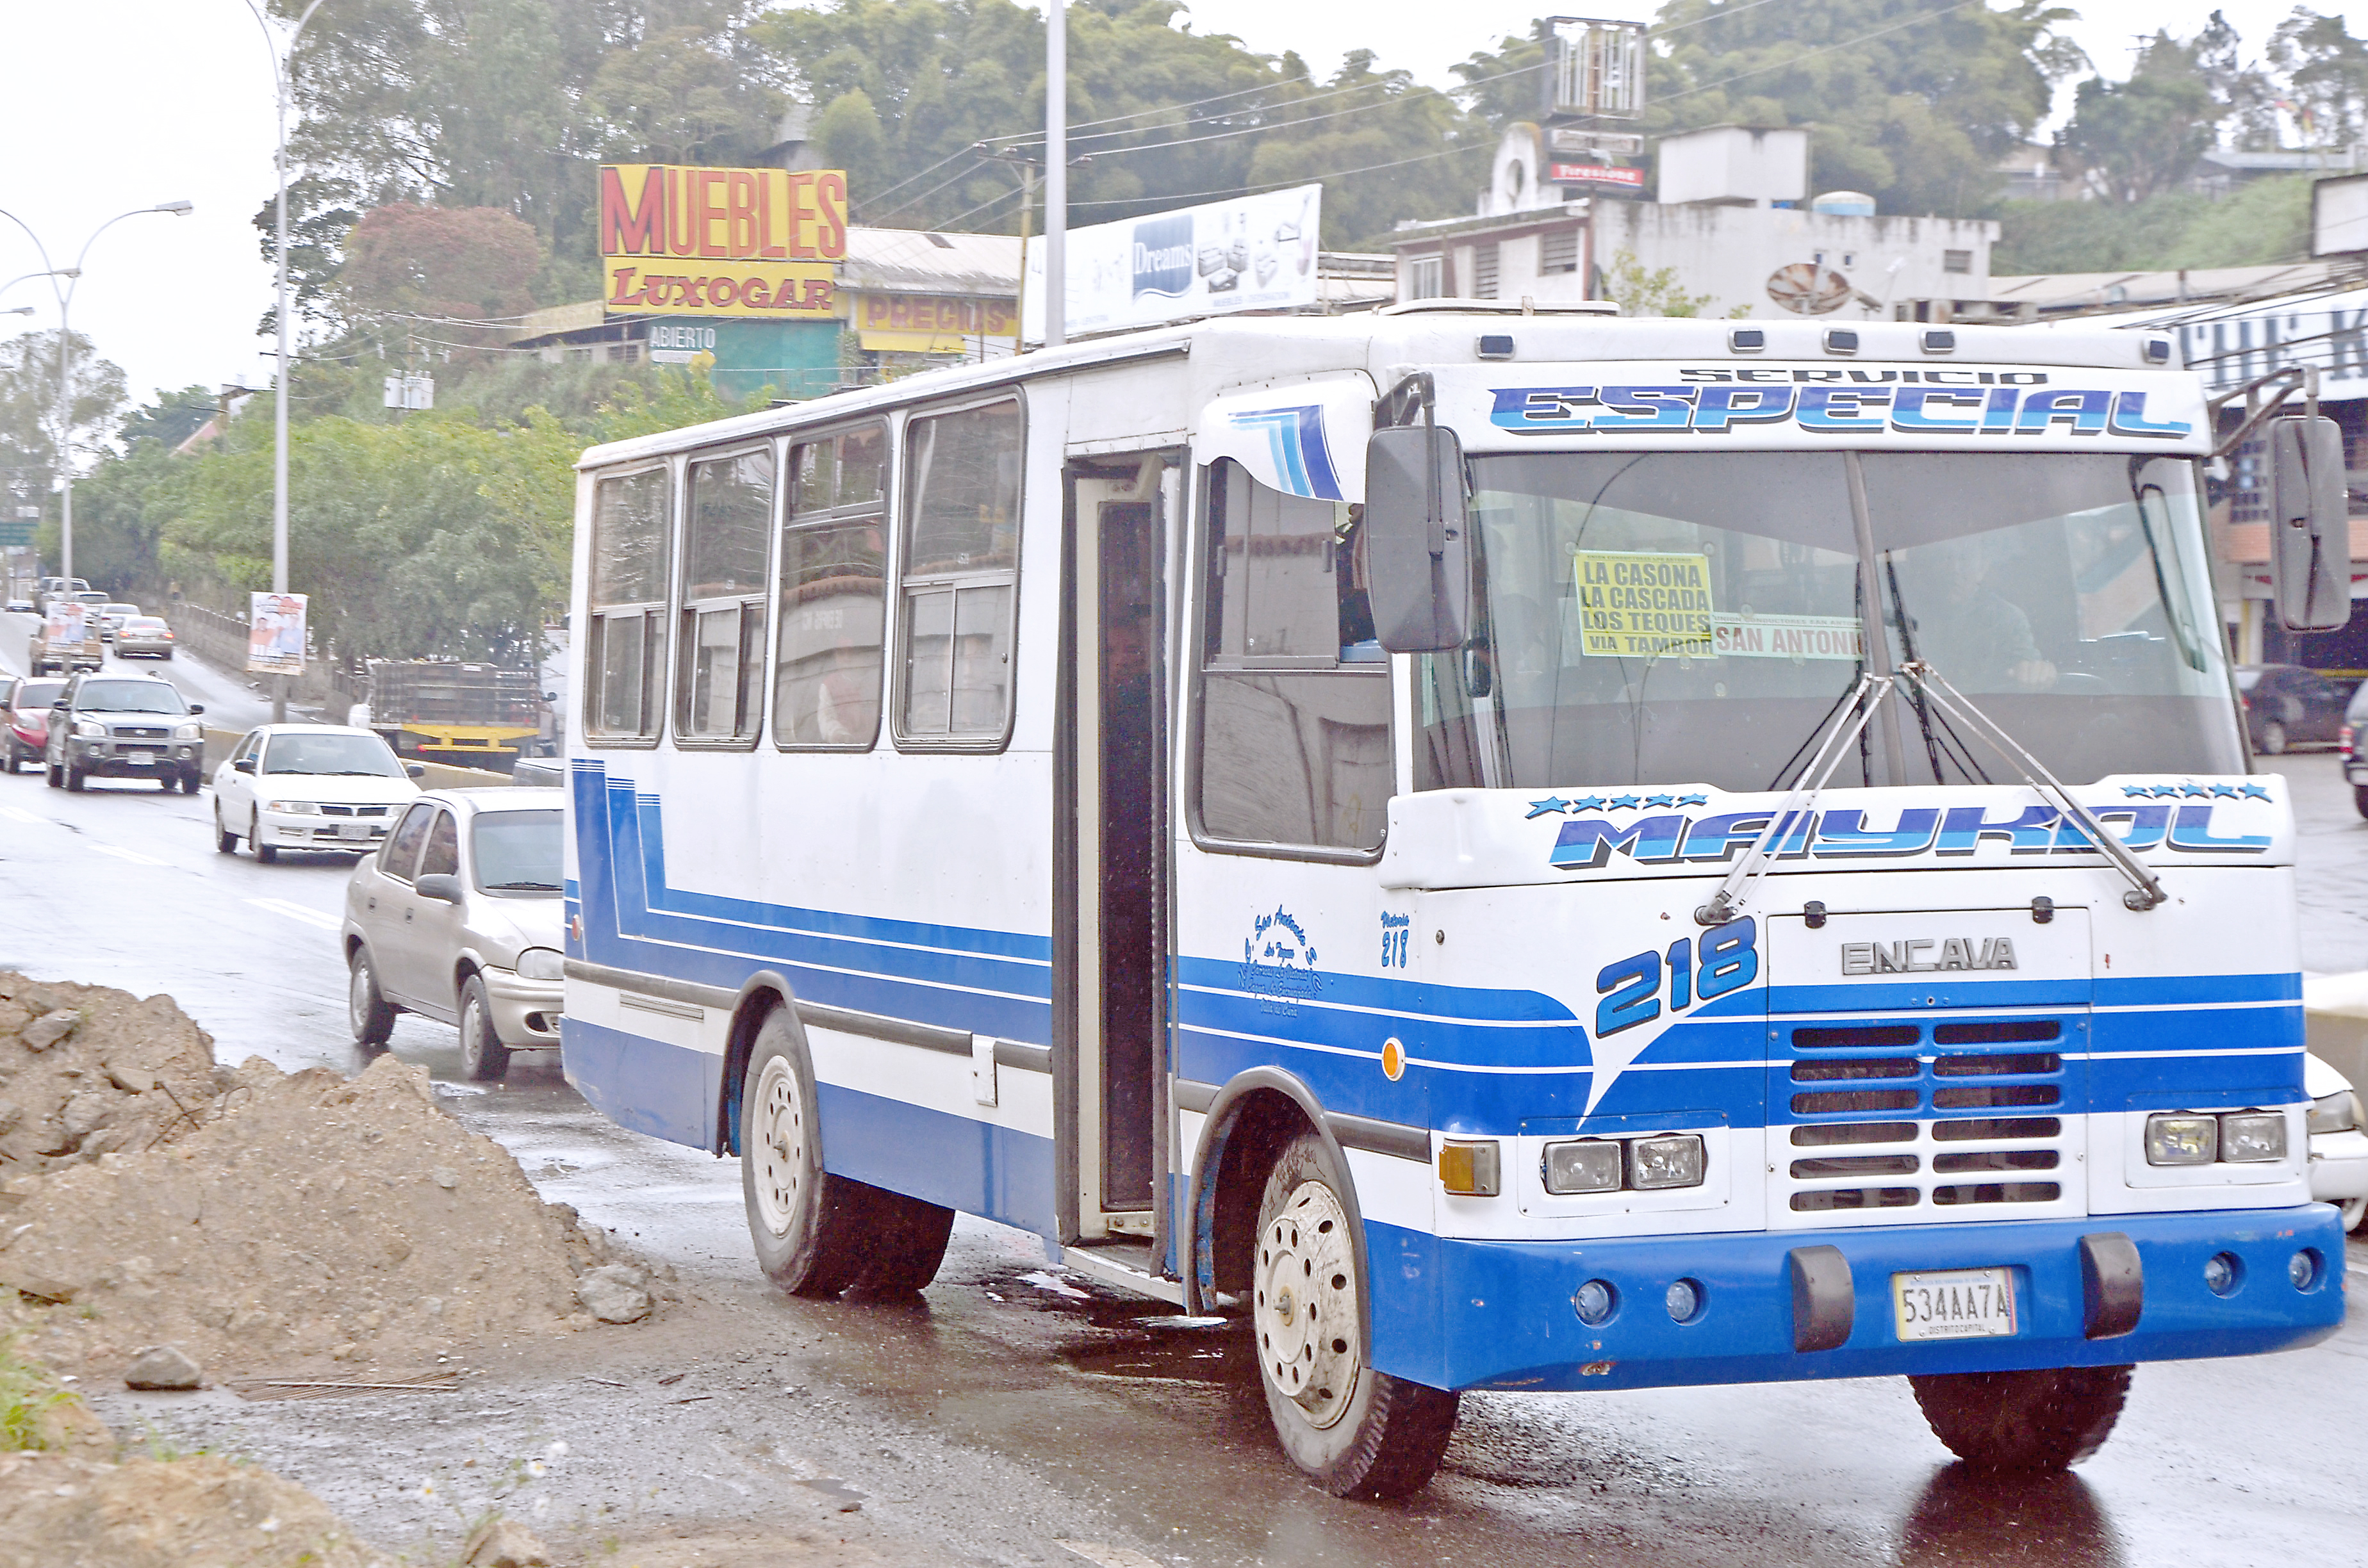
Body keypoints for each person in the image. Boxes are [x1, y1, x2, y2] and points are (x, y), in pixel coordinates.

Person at [1901, 537, 2056, 692]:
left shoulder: (2006, 619)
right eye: (1945, 558)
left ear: (1983, 568)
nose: (1955, 569)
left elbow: (2027, 671)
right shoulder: (1899, 614)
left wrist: (2037, 672)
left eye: (1965, 559)